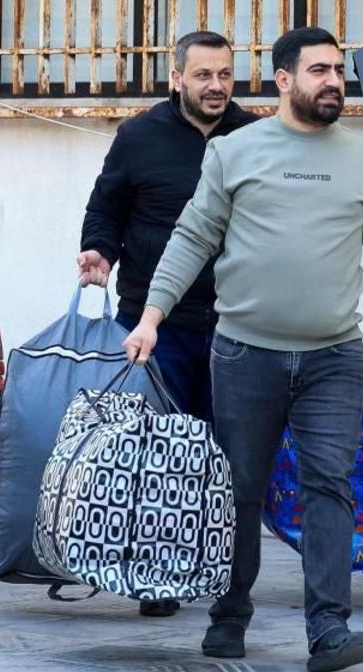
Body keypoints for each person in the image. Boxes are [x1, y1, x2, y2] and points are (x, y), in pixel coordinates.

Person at [123, 27, 363, 672]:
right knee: (240, 487)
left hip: (332, 356)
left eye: (338, 71)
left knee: (330, 485)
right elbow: (191, 237)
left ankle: (328, 628)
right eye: (319, 70)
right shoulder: (237, 151)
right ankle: (229, 612)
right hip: (244, 354)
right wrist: (152, 316)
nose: (333, 81)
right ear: (284, 80)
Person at [77, 30, 258, 618]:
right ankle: (159, 573)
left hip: (236, 322)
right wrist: (98, 251)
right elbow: (106, 206)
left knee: (224, 454)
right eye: (203, 75)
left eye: (224, 75)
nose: (216, 86)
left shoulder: (256, 136)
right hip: (155, 324)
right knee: (159, 453)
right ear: (176, 78)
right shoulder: (139, 136)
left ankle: (221, 569)